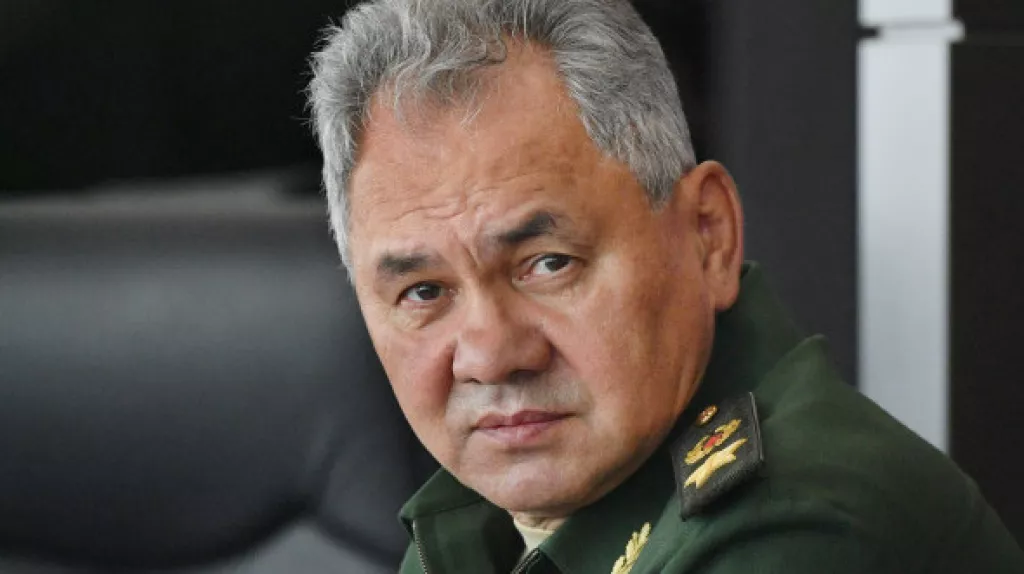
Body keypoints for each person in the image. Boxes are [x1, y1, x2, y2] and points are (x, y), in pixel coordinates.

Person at [307, 0, 1024, 572]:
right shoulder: (496, 519)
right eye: (424, 293)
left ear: (708, 235)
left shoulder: (800, 529)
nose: (491, 356)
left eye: (549, 263)